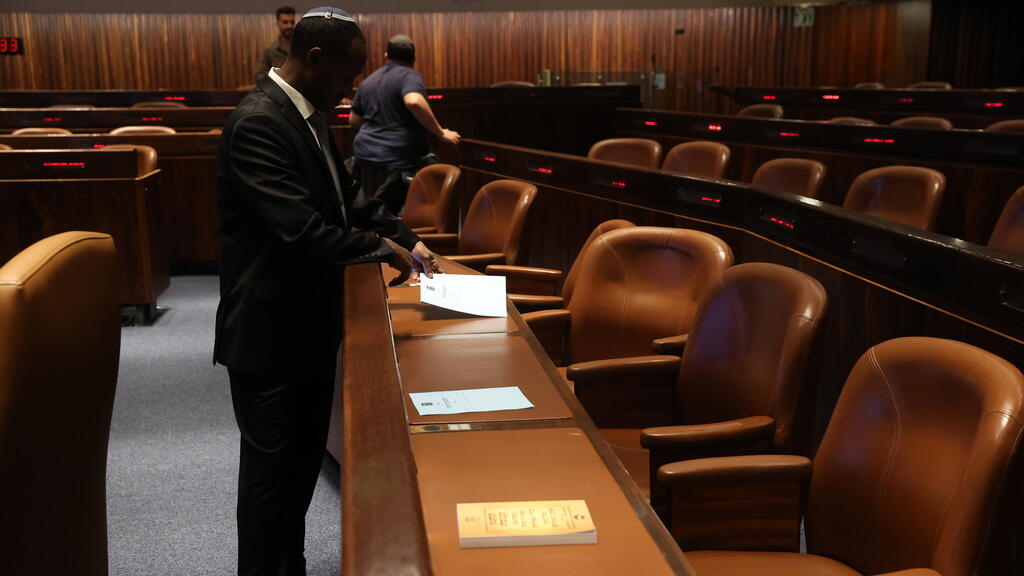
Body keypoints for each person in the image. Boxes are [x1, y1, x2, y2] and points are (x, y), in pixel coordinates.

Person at [215, 7, 440, 576]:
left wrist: (406, 237)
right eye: (347, 75)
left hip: (307, 327)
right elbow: (302, 231)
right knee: (271, 486)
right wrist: (380, 249)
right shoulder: (258, 122)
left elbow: (349, 200)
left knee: (298, 476)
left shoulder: (306, 114)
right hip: (268, 336)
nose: (351, 90)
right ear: (314, 60)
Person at [350, 34, 461, 215]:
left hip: (365, 157)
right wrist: (440, 132)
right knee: (400, 214)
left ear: (387, 55)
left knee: (372, 213)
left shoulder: (368, 81)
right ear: (413, 58)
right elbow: (413, 101)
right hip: (396, 160)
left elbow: (353, 120)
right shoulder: (409, 76)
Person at [256, 6, 296, 78]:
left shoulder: (301, 47)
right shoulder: (269, 51)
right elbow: (260, 77)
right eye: (285, 22)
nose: (289, 26)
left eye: (292, 22)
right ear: (277, 23)